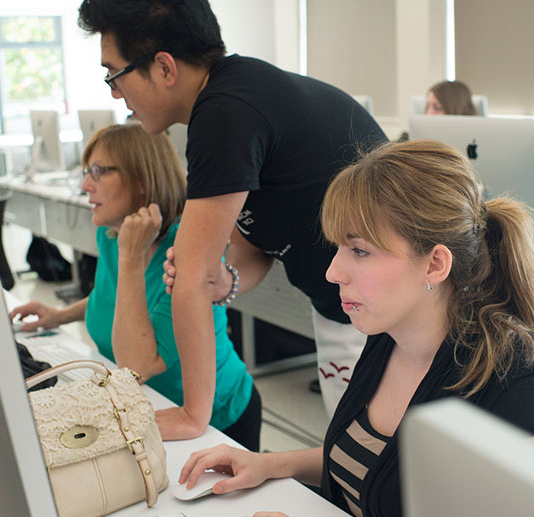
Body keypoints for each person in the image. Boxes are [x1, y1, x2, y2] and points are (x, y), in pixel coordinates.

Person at [178, 140, 534, 517]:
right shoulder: (389, 334)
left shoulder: (517, 373)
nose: (332, 272)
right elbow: (373, 462)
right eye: (339, 249)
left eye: (360, 251)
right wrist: (269, 464)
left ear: (434, 265)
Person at [77, 0, 387, 437]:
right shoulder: (236, 94)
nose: (114, 92)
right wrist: (226, 279)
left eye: (115, 74)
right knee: (355, 458)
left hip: (392, 317)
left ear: (164, 68)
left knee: (381, 471)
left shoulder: (224, 113)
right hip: (349, 308)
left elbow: (190, 277)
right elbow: (256, 243)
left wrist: (192, 415)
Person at [8, 123, 261, 451]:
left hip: (217, 422)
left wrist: (131, 254)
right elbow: (110, 297)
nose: (86, 185)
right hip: (150, 407)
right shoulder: (113, 233)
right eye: (87, 171)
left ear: (142, 180)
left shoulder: (184, 251)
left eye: (98, 172)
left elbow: (137, 365)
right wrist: (59, 315)